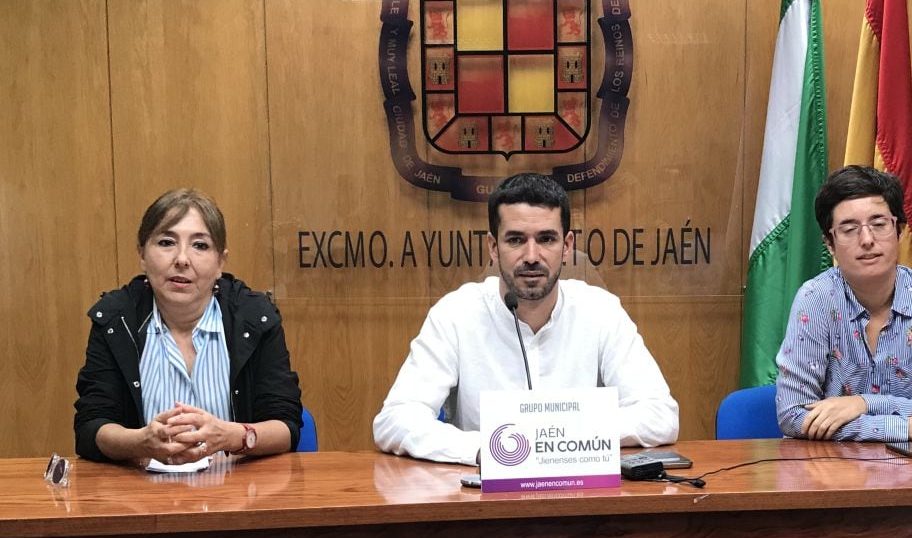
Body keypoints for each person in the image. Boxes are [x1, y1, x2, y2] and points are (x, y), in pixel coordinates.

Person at [373, 173, 679, 464]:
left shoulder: (601, 311)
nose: (531, 256)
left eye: (546, 239)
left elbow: (660, 416)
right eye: (516, 240)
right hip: (483, 502)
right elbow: (395, 420)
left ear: (567, 247)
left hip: (580, 504)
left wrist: (557, 438)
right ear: (493, 247)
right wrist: (488, 450)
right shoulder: (455, 314)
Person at [74, 189, 302, 463]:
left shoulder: (255, 318)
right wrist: (140, 443)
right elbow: (90, 428)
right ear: (142, 255)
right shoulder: (116, 320)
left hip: (238, 496)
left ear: (220, 262)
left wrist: (231, 436)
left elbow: (287, 427)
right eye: (167, 242)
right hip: (142, 498)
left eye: (200, 245)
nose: (182, 259)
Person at [775, 166, 912, 442]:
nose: (867, 240)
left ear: (900, 230)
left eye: (879, 224)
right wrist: (903, 428)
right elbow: (793, 415)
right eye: (849, 229)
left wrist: (865, 403)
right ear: (830, 244)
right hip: (831, 473)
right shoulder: (816, 299)